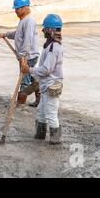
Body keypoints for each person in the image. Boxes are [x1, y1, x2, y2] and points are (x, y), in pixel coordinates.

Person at [22, 14, 64, 145]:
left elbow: (46, 69)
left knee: (51, 114)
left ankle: (55, 140)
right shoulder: (50, 46)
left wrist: (29, 70)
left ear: (50, 30)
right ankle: (40, 136)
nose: (43, 31)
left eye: (45, 29)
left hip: (51, 86)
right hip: (46, 86)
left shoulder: (53, 48)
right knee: (41, 112)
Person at [0, 0, 40, 106]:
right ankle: (39, 99)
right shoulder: (23, 20)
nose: (16, 11)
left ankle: (20, 104)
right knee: (33, 78)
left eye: (18, 8)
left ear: (25, 7)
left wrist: (23, 57)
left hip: (28, 56)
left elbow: (28, 40)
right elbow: (18, 34)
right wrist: (5, 34)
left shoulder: (29, 21)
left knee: (24, 80)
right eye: (15, 8)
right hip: (26, 56)